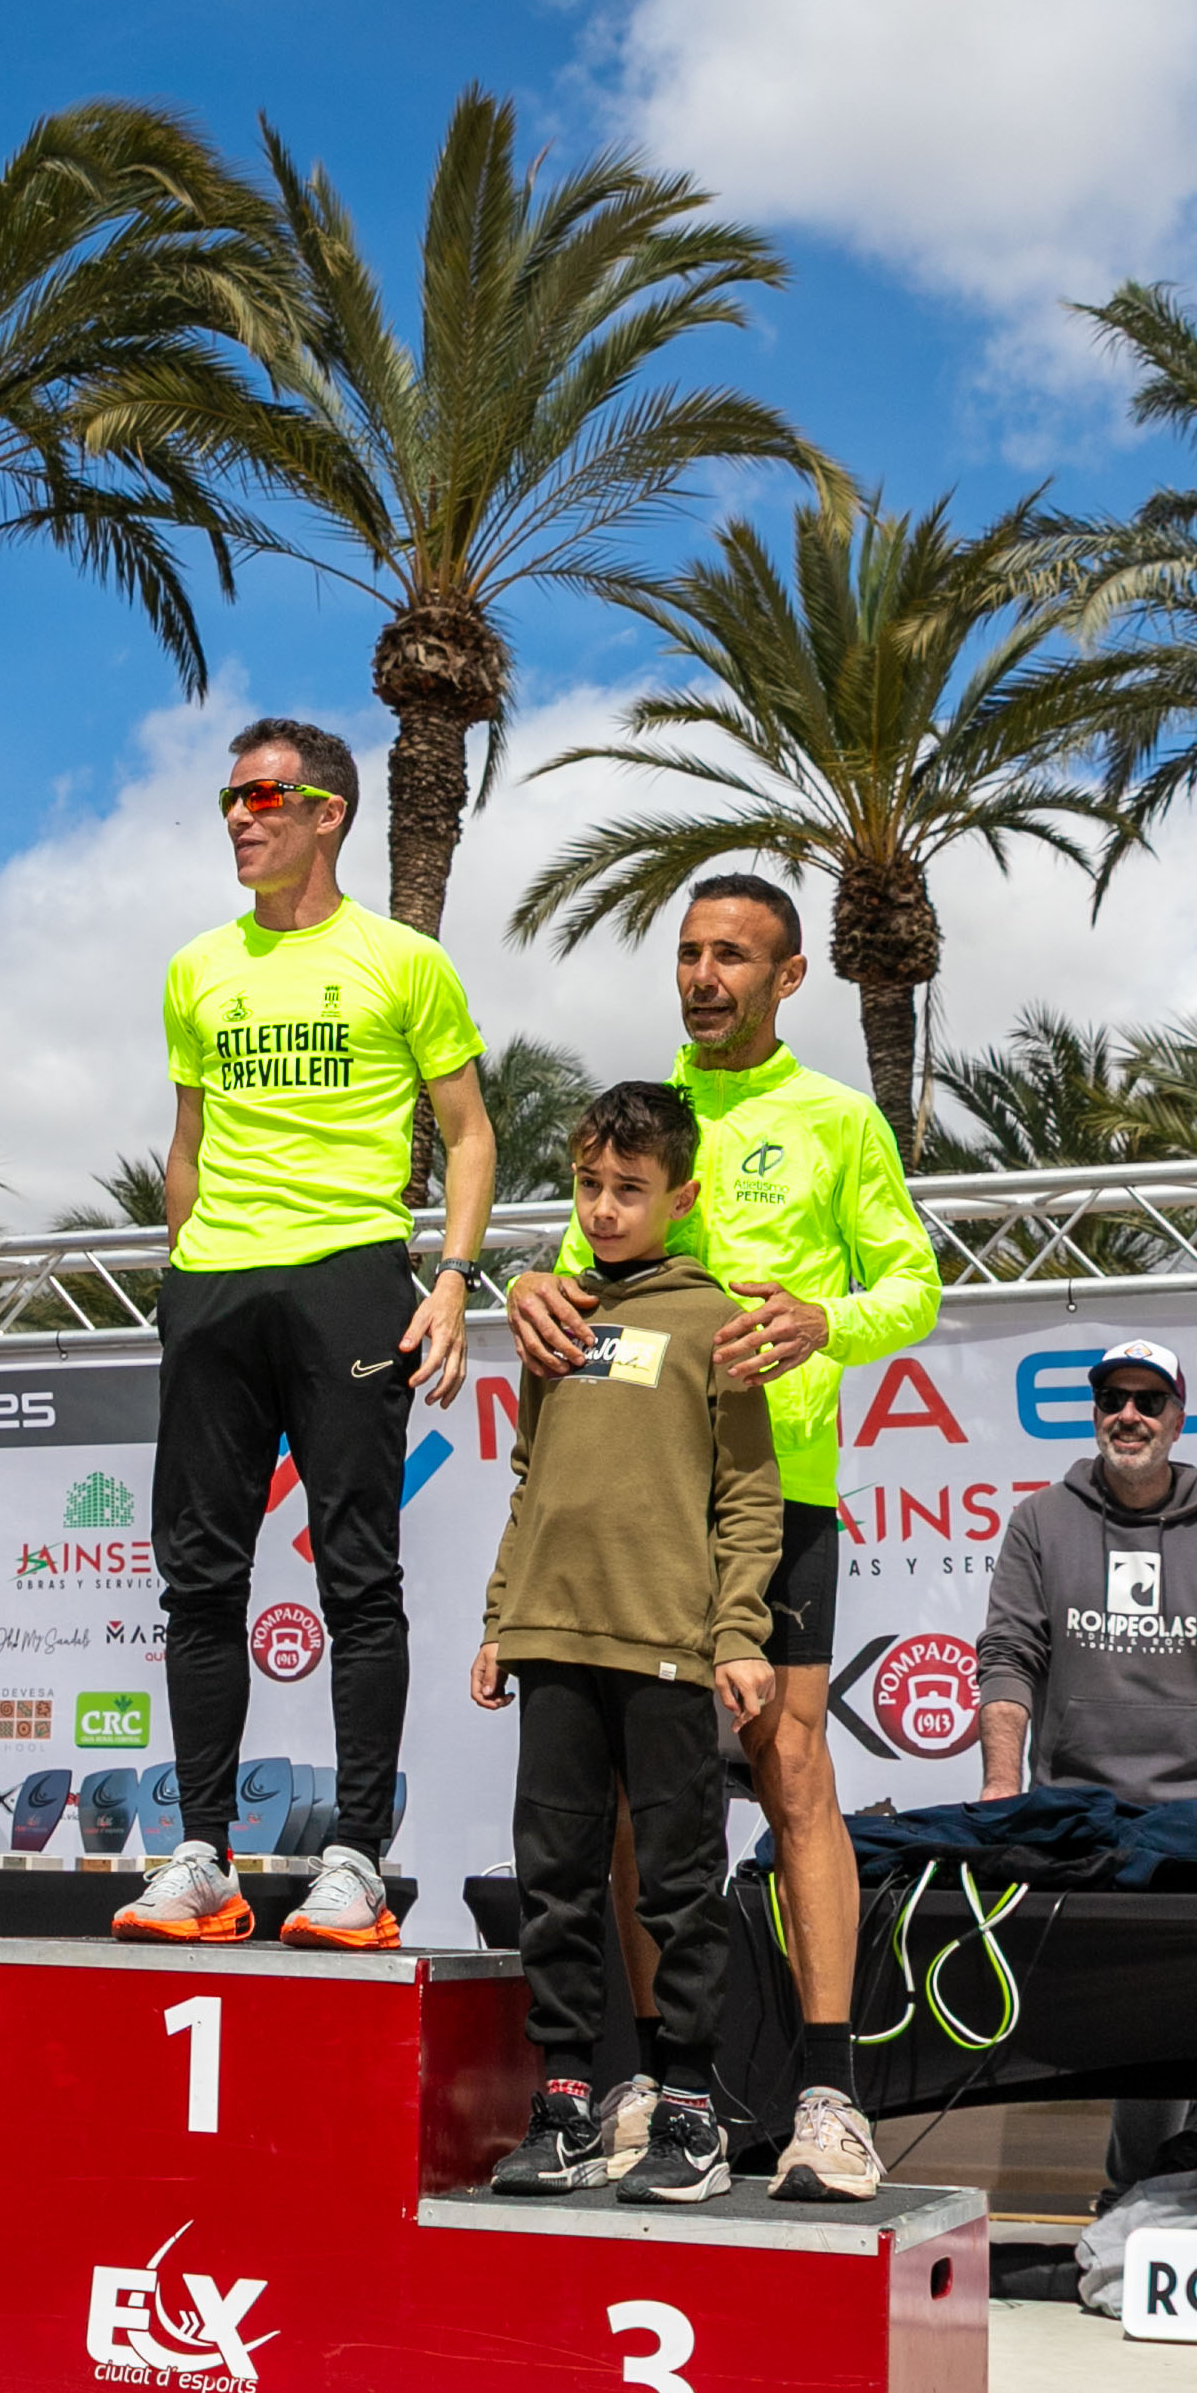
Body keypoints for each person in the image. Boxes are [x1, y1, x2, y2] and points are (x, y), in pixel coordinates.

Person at [504, 872, 941, 2202]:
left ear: (789, 977)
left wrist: (823, 1320)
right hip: (644, 1503)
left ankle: (828, 2097)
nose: (704, 976)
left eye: (734, 956)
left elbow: (913, 1285)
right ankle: (653, 2087)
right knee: (639, 1797)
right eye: (690, 952)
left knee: (791, 1765)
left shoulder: (838, 1118)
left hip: (777, 1488)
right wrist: (528, 1283)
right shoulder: (649, 1115)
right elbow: (585, 1261)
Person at [119, 717, 492, 1954]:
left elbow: (469, 1133)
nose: (240, 815)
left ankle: (356, 1863)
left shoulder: (404, 961)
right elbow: (187, 1144)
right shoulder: (194, 968)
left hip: (349, 1279)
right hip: (215, 1289)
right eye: (231, 796)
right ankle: (202, 1858)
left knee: (358, 1578)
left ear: (328, 813)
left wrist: (450, 1278)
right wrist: (183, 1279)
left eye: (265, 796)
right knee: (199, 1580)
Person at [472, 1084, 780, 2208]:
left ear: (681, 1197)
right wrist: (501, 1618)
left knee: (680, 1886)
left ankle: (690, 2109)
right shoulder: (554, 1316)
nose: (603, 1210)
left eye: (630, 1190)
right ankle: (565, 2102)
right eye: (589, 1186)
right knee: (554, 1883)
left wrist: (738, 1632)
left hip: (667, 1648)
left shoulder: (716, 1322)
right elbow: (529, 1480)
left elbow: (749, 1495)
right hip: (550, 1638)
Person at [971, 1340, 1197, 2199]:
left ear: (1177, 1420)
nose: (1129, 1415)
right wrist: (1002, 1784)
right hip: (1074, 1816)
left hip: (1194, 1818)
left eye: (1148, 1401)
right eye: (1113, 1399)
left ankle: (1139, 2198)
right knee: (1108, 2022)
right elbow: (1008, 1656)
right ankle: (1158, 2188)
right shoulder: (1041, 1519)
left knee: (1172, 2019)